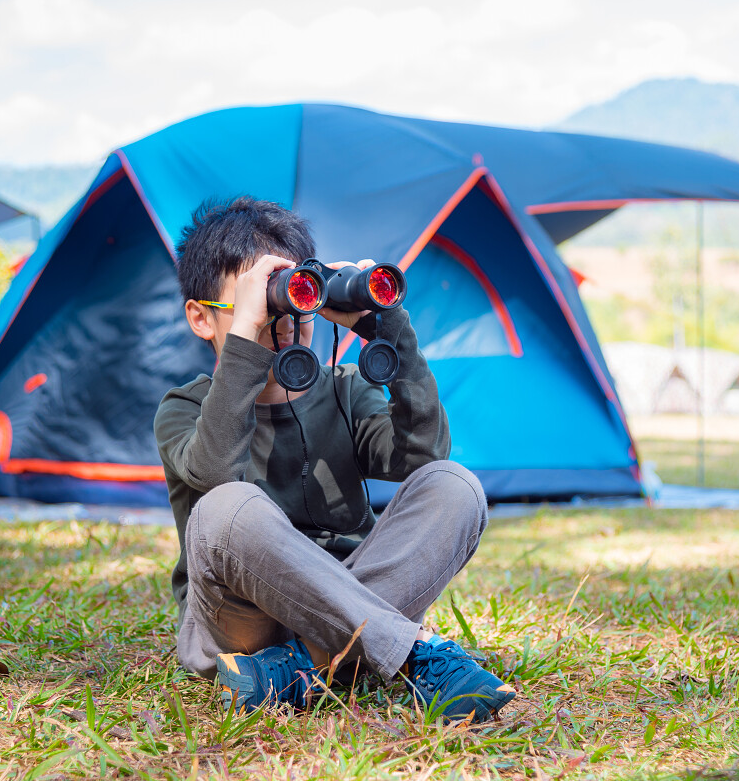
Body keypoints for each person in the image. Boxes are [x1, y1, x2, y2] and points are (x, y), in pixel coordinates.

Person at [154, 196, 516, 721]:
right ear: (202, 319)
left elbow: (422, 456)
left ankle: (300, 669)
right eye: (260, 303)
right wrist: (246, 342)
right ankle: (409, 652)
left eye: (293, 295)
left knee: (453, 484)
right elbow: (213, 472)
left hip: (349, 588)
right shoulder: (184, 408)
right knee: (225, 506)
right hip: (245, 621)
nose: (283, 319)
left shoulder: (343, 391)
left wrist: (389, 330)